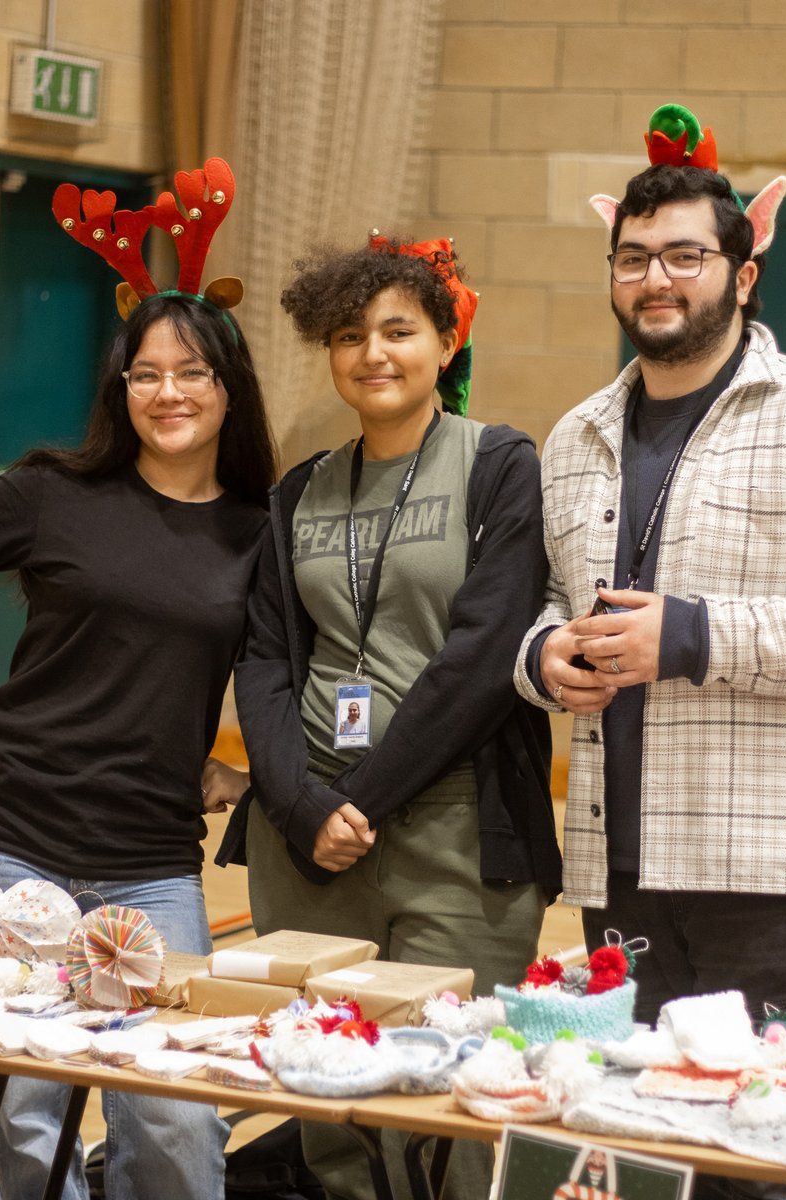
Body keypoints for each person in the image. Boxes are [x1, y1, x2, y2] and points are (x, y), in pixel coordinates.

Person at [0, 162, 276, 1200]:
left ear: (229, 387)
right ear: (122, 388)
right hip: (8, 835)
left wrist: (235, 766)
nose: (170, 392)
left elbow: (278, 666)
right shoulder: (53, 491)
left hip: (150, 863)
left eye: (194, 372)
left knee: (173, 1121)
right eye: (147, 373)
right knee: (21, 1125)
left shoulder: (261, 529)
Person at [515, 104, 786, 1042]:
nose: (655, 279)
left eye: (685, 256)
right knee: (644, 1156)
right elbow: (549, 603)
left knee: (766, 1166)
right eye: (633, 258)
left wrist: (690, 634)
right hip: (618, 870)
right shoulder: (576, 436)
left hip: (779, 871)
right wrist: (546, 654)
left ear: (743, 274)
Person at [218, 234, 562, 1200]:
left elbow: (486, 658)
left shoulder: (498, 464)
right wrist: (298, 805)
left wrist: (358, 800)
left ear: (447, 342)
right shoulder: (298, 493)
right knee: (333, 1115)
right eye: (348, 335)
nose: (373, 353)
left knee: (454, 1098)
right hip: (312, 839)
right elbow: (267, 660)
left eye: (399, 330)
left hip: (455, 829)